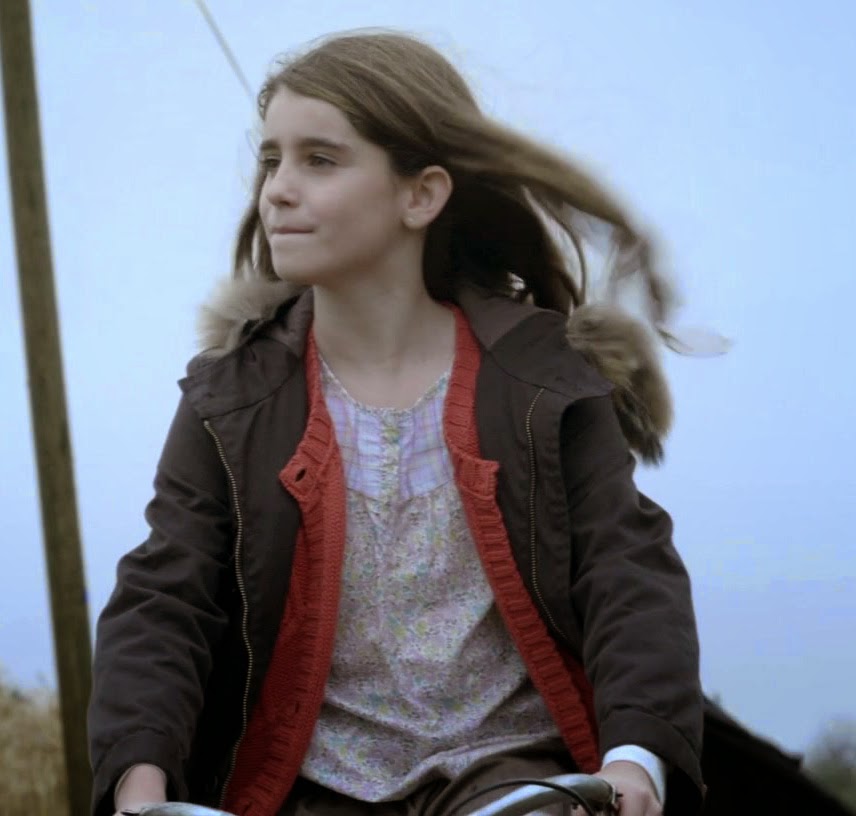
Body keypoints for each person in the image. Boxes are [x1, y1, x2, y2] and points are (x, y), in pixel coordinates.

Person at [88, 30, 705, 816]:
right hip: (308, 789)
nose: (276, 190)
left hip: (512, 780)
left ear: (422, 196)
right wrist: (139, 782)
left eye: (320, 159)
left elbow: (628, 575)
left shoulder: (545, 381)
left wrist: (635, 761)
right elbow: (165, 600)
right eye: (272, 160)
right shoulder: (230, 397)